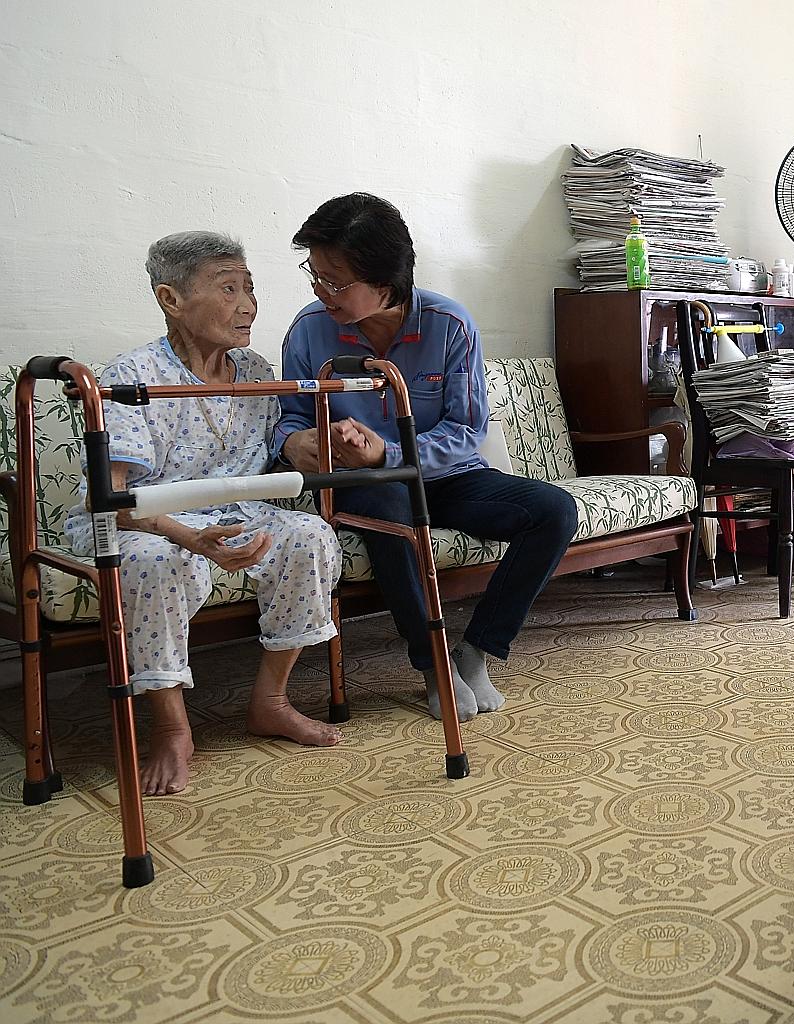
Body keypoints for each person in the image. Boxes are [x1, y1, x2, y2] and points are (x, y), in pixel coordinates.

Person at [274, 193, 578, 722]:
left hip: (446, 476)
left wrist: (389, 452)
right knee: (390, 507)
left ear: (384, 283)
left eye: (335, 281)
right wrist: (294, 443)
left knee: (553, 511)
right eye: (314, 274)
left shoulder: (449, 325)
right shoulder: (308, 331)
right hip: (365, 483)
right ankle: (432, 662)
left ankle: (476, 649)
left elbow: (467, 430)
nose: (321, 290)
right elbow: (290, 416)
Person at [64, 232, 344, 796]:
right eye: (228, 289)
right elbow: (109, 500)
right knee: (157, 563)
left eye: (250, 289)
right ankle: (172, 730)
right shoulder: (132, 376)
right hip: (144, 519)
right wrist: (190, 539)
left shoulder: (256, 370)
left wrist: (314, 443)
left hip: (237, 509)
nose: (248, 306)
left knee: (310, 534)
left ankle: (271, 702)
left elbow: (275, 453)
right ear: (171, 299)